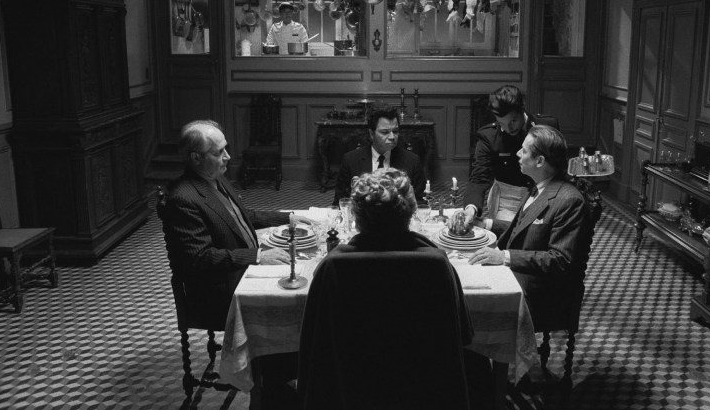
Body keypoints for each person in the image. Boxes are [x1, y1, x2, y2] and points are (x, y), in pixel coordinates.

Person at [300, 169, 492, 410]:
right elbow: (463, 334)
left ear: (356, 218)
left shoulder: (332, 266)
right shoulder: (436, 264)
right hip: (423, 392)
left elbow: (314, 346)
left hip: (350, 390)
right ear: (412, 213)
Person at [160, 119, 311, 408]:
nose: (228, 157)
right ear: (196, 158)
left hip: (238, 271)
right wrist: (256, 256)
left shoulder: (215, 179)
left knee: (297, 282)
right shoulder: (184, 198)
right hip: (215, 291)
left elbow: (243, 215)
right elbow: (199, 259)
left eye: (226, 149)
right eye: (219, 152)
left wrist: (287, 217)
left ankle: (279, 378)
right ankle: (274, 385)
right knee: (282, 305)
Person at [467, 125, 587, 332]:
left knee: (470, 303)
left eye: (523, 150)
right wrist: (483, 223)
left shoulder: (569, 200)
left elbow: (560, 260)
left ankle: (490, 356)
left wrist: (503, 257)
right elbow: (525, 228)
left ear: (540, 161)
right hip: (520, 273)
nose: (517, 154)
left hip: (541, 291)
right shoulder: (539, 186)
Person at [462, 85, 559, 226]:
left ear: (522, 109)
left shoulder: (546, 127)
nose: (508, 128)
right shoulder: (489, 136)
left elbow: (558, 167)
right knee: (507, 238)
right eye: (502, 123)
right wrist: (471, 208)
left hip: (544, 196)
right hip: (507, 202)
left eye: (513, 121)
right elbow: (479, 177)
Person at [332, 103, 426, 205]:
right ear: (371, 134)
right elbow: (340, 202)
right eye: (385, 132)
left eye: (395, 131)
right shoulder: (351, 160)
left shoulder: (412, 161)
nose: (392, 137)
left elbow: (419, 203)